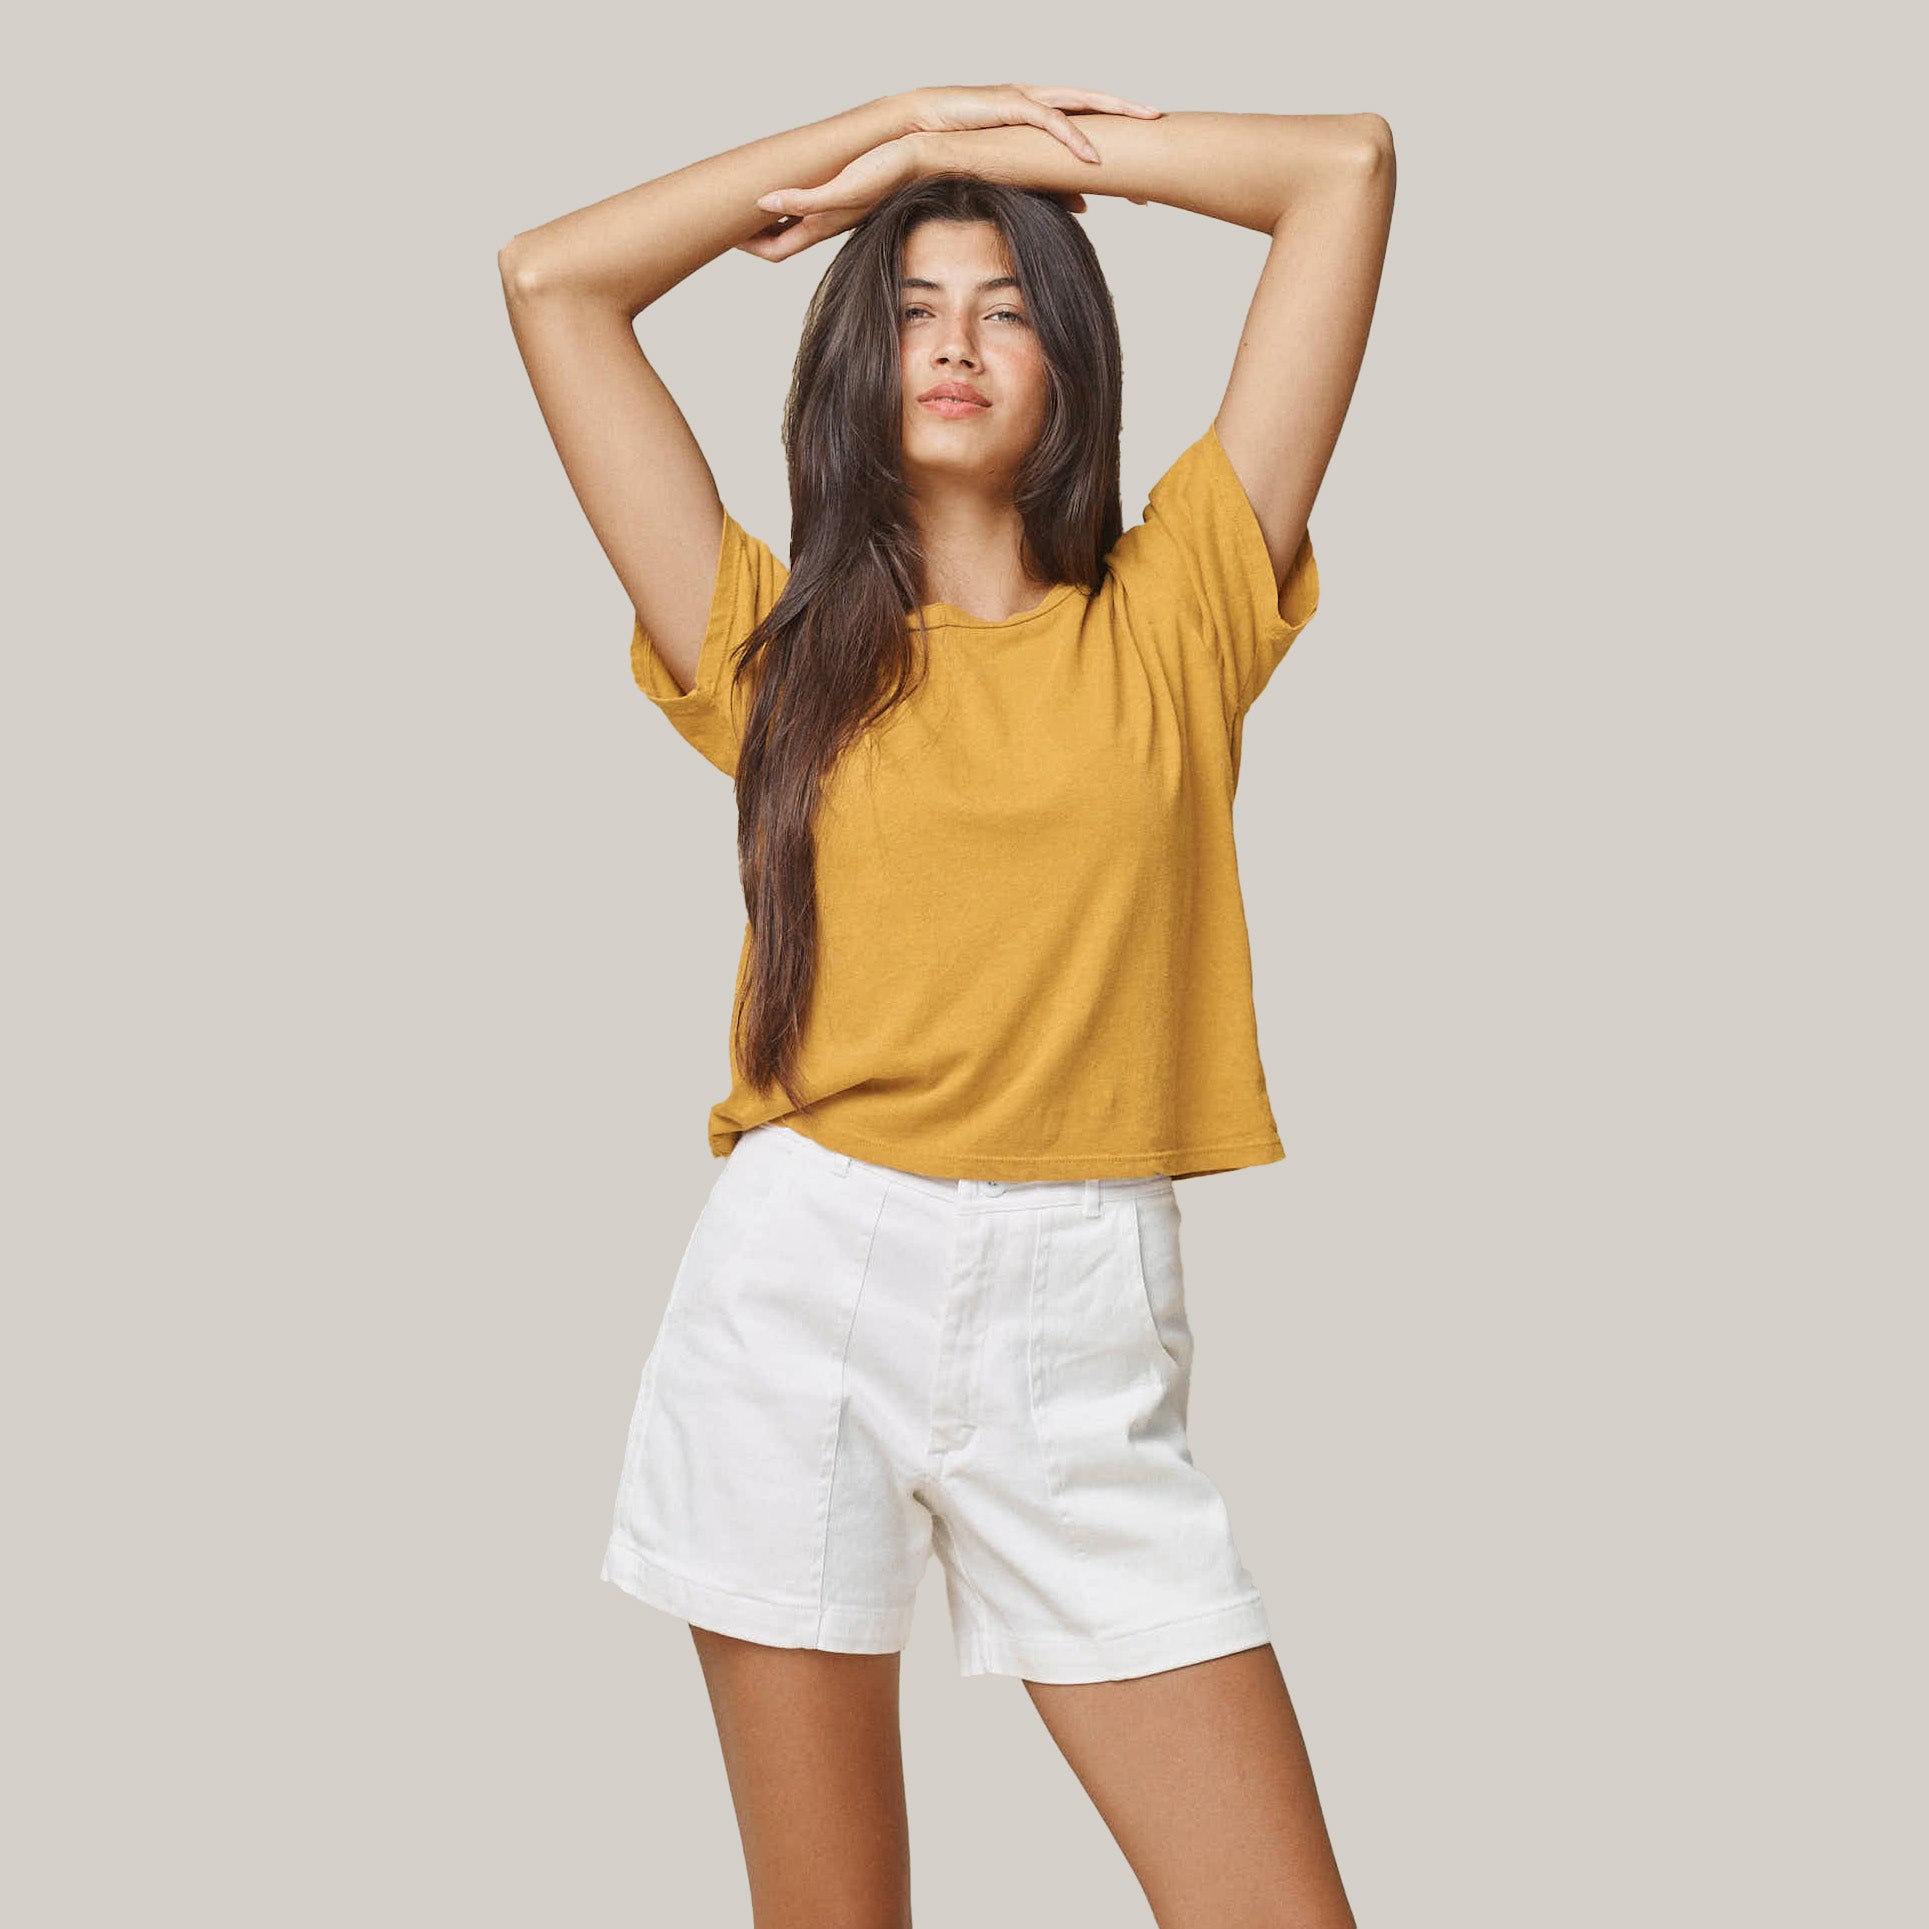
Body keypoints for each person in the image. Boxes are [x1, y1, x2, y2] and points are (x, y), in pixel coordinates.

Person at [500, 83, 1394, 1929]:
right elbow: (551, 284)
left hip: (1080, 1317)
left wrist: (980, 162)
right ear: (854, 356)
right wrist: (882, 140)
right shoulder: (766, 643)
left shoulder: (1180, 610)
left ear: (1067, 357)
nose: (958, 341)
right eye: (912, 306)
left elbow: (1346, 172)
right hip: (801, 1290)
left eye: (1002, 306)